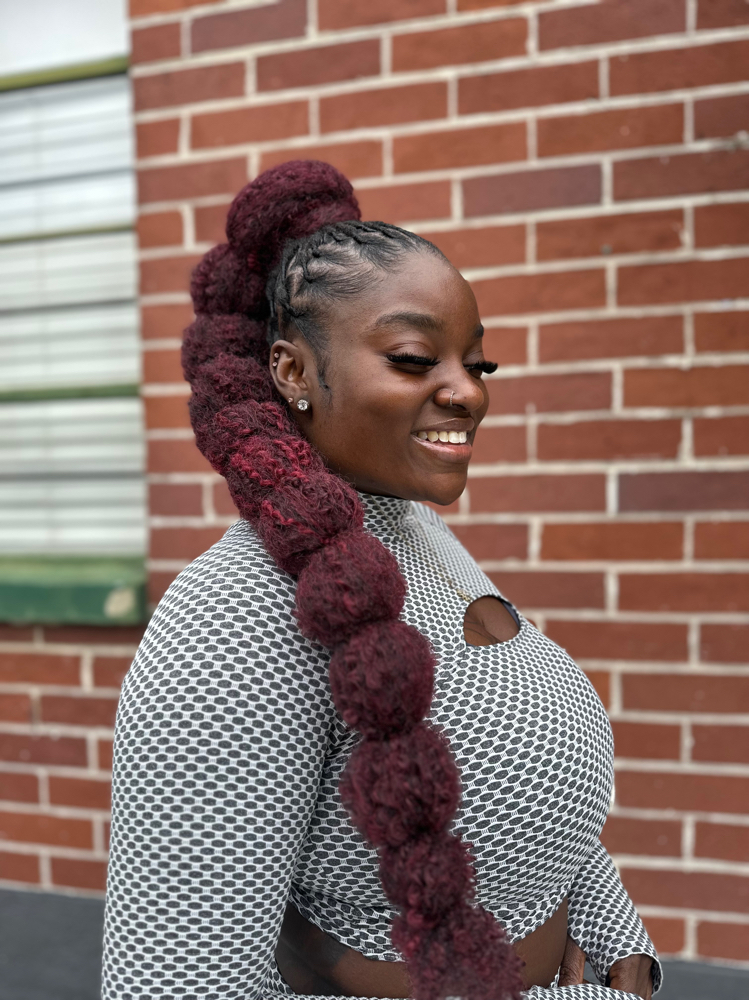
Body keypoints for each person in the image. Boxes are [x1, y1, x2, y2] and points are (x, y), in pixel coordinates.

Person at [102, 161, 660, 1000]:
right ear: (291, 372)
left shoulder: (418, 536)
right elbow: (178, 988)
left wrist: (621, 951)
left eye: (478, 365)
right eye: (412, 358)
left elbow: (530, 788)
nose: (467, 393)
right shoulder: (233, 621)